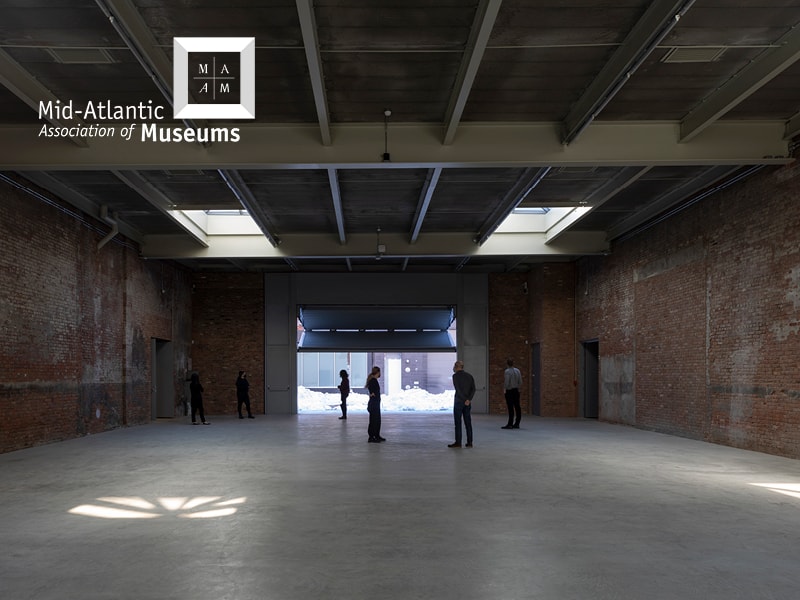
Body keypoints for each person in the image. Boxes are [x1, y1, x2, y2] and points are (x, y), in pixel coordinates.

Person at [449, 360, 476, 448]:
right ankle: (469, 442)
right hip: (467, 403)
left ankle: (458, 442)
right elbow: (473, 389)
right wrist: (468, 399)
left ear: (456, 367)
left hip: (459, 402)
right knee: (468, 422)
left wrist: (464, 399)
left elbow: (458, 389)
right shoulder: (469, 376)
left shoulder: (455, 376)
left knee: (458, 423)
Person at [365, 366, 385, 443]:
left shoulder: (373, 380)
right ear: (378, 372)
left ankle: (376, 435)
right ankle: (372, 436)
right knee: (374, 420)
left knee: (377, 420)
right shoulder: (373, 381)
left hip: (375, 403)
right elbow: (372, 392)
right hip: (374, 404)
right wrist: (373, 394)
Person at [502, 358, 522, 429]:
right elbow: (520, 381)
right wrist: (519, 388)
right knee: (517, 406)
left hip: (510, 390)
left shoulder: (507, 371)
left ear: (507, 364)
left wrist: (505, 388)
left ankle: (510, 423)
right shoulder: (517, 371)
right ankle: (517, 423)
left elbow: (507, 382)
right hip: (516, 390)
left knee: (510, 407)